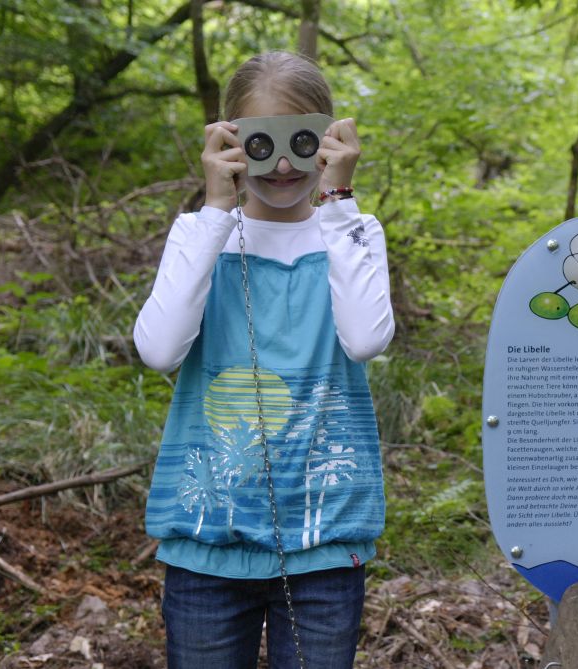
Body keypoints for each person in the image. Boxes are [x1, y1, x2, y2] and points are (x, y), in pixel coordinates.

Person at [133, 50, 394, 669]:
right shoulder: (202, 236)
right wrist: (213, 210)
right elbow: (159, 350)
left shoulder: (352, 232)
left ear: (330, 140)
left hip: (323, 541)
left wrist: (339, 201)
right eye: (260, 144)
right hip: (208, 539)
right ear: (228, 141)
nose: (280, 164)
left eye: (301, 141)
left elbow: (365, 339)